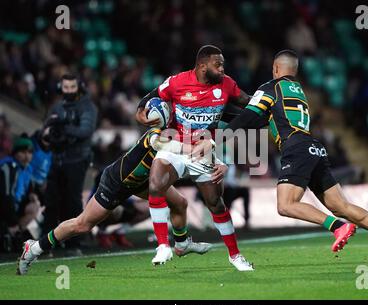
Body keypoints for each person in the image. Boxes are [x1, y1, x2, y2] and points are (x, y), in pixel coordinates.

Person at [193, 50, 368, 269]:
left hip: (296, 148)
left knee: (286, 205)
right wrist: (220, 120)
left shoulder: (271, 87)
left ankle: (337, 227)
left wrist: (213, 140)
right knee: (341, 205)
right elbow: (259, 120)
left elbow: (249, 117)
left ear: (276, 69)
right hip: (313, 147)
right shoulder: (297, 91)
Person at [17, 127, 216, 275]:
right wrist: (197, 147)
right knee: (82, 224)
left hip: (141, 182)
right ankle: (34, 248)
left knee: (180, 203)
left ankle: (181, 245)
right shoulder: (154, 134)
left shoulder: (178, 133)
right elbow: (164, 145)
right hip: (116, 182)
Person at [136, 45, 254, 271]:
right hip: (175, 144)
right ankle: (163, 245)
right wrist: (140, 112)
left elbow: (248, 106)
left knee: (215, 204)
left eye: (223, 64)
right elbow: (150, 97)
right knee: (155, 184)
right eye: (217, 64)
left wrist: (267, 104)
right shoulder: (177, 82)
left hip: (203, 151)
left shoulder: (227, 84)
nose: (222, 68)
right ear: (202, 66)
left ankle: (235, 255)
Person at [41, 74, 98, 255]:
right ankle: (46, 243)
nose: (69, 91)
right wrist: (49, 132)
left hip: (77, 160)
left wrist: (63, 128)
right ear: (60, 88)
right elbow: (46, 131)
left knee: (72, 201)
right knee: (51, 202)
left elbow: (86, 131)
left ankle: (73, 243)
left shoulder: (87, 107)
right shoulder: (56, 107)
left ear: (78, 87)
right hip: (57, 159)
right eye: (65, 88)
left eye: (72, 87)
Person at [0, 135, 41, 252]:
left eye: (29, 152)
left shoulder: (27, 169)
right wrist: (12, 222)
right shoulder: (8, 166)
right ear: (15, 153)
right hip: (4, 209)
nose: (27, 156)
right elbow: (5, 196)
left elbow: (28, 189)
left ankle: (15, 233)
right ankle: (11, 231)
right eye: (23, 152)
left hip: (13, 208)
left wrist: (31, 195)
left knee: (34, 206)